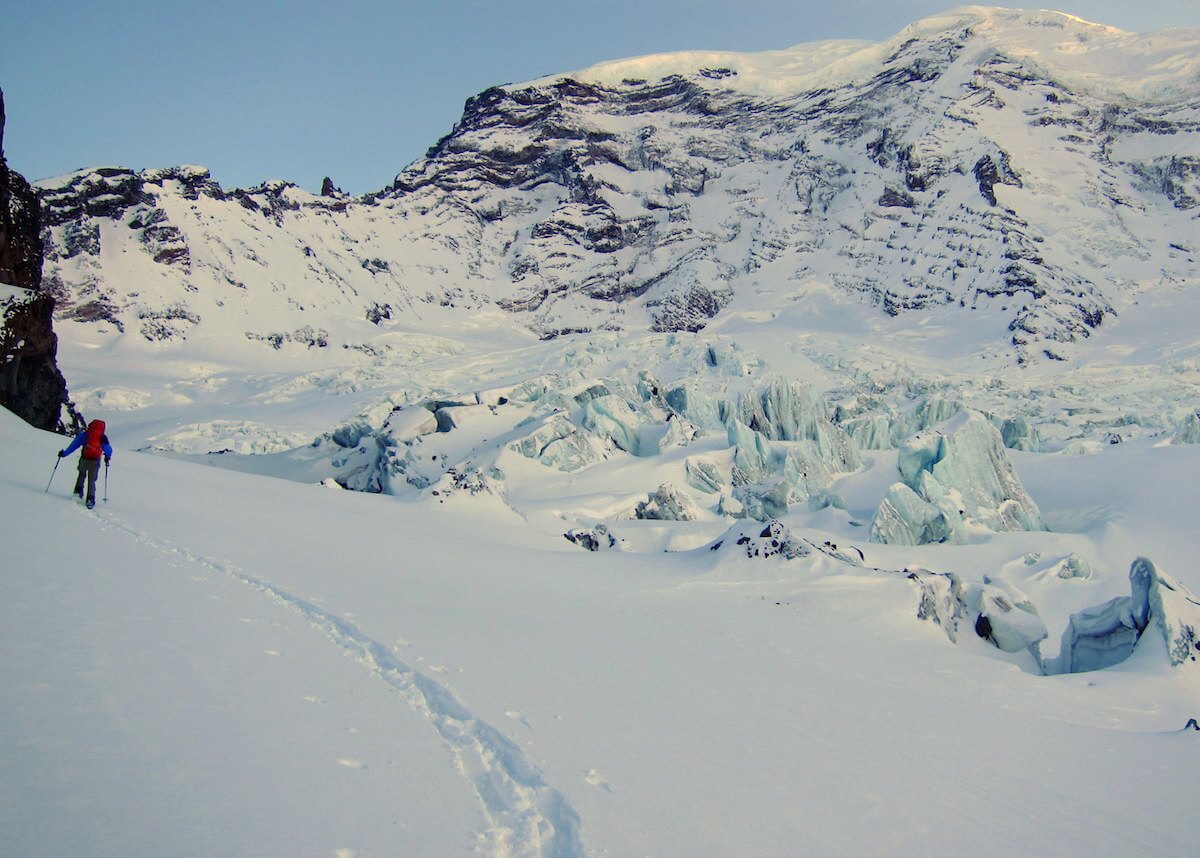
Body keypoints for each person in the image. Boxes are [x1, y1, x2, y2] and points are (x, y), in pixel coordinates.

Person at [59, 419, 112, 509]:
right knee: (92, 480)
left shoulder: (85, 435)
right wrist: (107, 457)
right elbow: (109, 450)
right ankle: (90, 499)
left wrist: (64, 453)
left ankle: (78, 492)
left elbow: (74, 445)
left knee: (81, 475)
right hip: (95, 461)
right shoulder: (102, 438)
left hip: (84, 458)